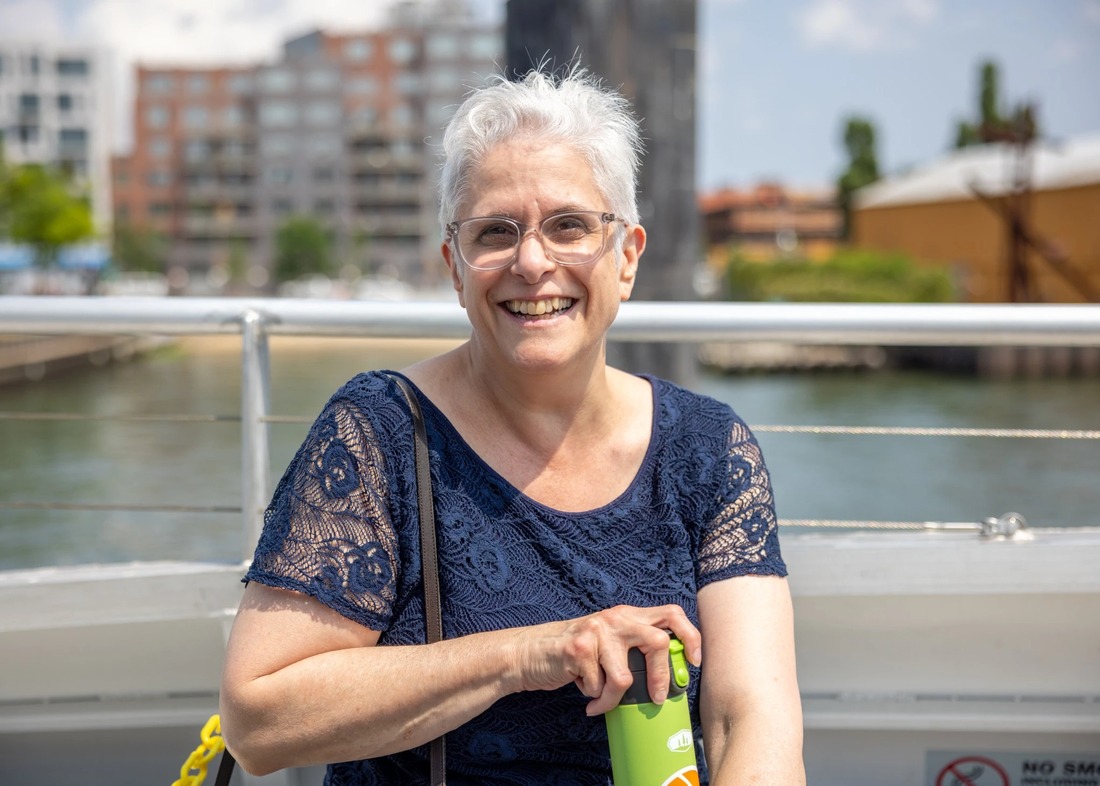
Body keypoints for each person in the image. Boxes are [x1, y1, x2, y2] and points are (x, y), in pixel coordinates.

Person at [220, 66, 804, 785]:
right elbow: (258, 720)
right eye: (495, 232)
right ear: (455, 268)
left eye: (569, 226)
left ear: (626, 258)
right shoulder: (379, 434)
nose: (533, 261)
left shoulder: (707, 448)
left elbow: (751, 717)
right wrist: (530, 655)